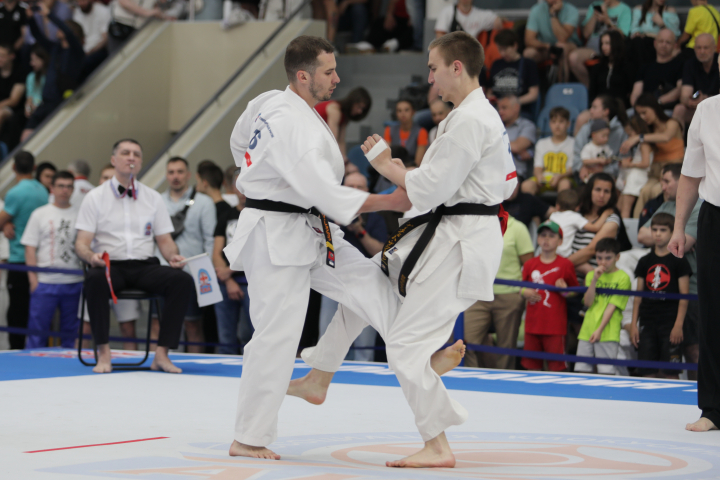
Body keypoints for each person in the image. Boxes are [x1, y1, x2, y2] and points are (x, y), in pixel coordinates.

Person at [289, 31, 517, 468]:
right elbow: (503, 182)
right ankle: (320, 376)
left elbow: (429, 190)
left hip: (458, 242)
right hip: (447, 231)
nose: (429, 79)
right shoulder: (473, 116)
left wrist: (386, 167)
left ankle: (437, 442)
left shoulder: (471, 120)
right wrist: (405, 171)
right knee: (363, 287)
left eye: (433, 68)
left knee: (404, 347)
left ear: (456, 67)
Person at [222, 35, 413, 461]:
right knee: (276, 334)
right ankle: (248, 437)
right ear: (304, 76)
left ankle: (410, 355)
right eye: (329, 71)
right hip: (276, 233)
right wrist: (390, 201)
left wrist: (254, 171)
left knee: (368, 281)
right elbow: (327, 194)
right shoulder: (293, 125)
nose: (337, 78)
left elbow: (239, 141)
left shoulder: (269, 101)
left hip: (309, 226)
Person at [74, 138, 195, 374]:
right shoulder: (95, 197)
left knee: (182, 281)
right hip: (110, 266)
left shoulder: (153, 197)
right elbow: (81, 243)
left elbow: (165, 241)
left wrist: (173, 256)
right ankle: (103, 353)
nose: (131, 157)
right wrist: (91, 257)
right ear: (113, 160)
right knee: (95, 279)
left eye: (136, 154)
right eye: (126, 153)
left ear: (140, 162)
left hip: (144, 267)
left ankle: (162, 354)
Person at [669, 72, 720, 431]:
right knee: (713, 312)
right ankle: (714, 409)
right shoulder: (707, 110)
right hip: (715, 215)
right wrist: (678, 227)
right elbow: (690, 175)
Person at [637, 163, 701, 380]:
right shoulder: (665, 206)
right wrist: (673, 235)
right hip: (659, 295)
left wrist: (671, 238)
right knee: (658, 356)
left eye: (666, 181)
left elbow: (683, 243)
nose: (662, 187)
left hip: (690, 290)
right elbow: (641, 235)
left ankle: (699, 394)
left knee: (693, 349)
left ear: (682, 181)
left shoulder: (698, 206)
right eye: (661, 182)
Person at [155, 156, 216, 354]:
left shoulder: (204, 202)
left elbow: (210, 240)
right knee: (158, 324)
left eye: (180, 172)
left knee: (193, 325)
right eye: (171, 172)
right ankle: (157, 365)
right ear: (166, 175)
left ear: (189, 175)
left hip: (193, 273)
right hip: (161, 272)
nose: (176, 176)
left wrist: (208, 271)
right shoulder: (156, 201)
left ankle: (196, 366)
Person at [20, 171, 83, 348]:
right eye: (61, 186)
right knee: (37, 331)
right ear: (52, 188)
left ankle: (68, 364)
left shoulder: (81, 214)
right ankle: (33, 363)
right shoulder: (40, 214)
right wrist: (33, 280)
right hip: (45, 281)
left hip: (74, 281)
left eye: (69, 186)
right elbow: (30, 248)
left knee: (71, 332)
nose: (65, 190)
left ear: (73, 189)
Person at [464, 215, 532, 369]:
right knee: (465, 342)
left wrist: (521, 291)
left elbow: (529, 266)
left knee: (506, 348)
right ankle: (472, 379)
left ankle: (503, 381)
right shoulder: (475, 224)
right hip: (478, 294)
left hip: (509, 294)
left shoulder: (518, 228)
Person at [631, 212, 690, 379]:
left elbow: (684, 296)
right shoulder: (644, 261)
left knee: (670, 372)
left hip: (670, 321)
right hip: (647, 321)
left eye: (663, 230)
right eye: (654, 229)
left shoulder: (679, 261)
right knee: (646, 372)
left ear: (672, 232)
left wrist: (678, 325)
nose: (658, 234)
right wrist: (634, 324)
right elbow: (638, 296)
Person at [0, 151, 48, 349]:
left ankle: (16, 351)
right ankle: (38, 349)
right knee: (37, 311)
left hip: (19, 259)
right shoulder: (43, 191)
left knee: (17, 312)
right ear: (34, 168)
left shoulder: (15, 193)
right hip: (40, 259)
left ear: (13, 168)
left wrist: (5, 224)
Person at [21, 1, 85, 142]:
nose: (58, 29)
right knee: (25, 137)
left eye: (62, 27)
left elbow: (68, 32)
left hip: (61, 102)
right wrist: (30, 18)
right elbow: (38, 36)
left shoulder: (76, 52)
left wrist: (49, 15)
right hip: (45, 101)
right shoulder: (56, 49)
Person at [521, 220, 579, 372]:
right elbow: (521, 287)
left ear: (560, 241)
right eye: (543, 235)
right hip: (532, 324)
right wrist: (524, 292)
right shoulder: (529, 264)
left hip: (555, 326)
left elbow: (575, 290)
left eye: (551, 236)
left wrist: (565, 291)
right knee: (532, 367)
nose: (546, 239)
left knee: (557, 368)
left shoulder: (565, 264)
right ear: (538, 239)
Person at [574, 237, 631, 374]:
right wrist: (594, 279)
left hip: (608, 331)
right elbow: (588, 303)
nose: (603, 262)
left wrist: (599, 330)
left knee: (606, 371)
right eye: (599, 258)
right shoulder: (591, 275)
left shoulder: (623, 278)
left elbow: (612, 306)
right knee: (582, 370)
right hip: (587, 329)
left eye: (608, 258)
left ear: (617, 257)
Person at [622, 93, 684, 216]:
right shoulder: (649, 131)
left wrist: (638, 137)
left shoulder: (672, 123)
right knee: (645, 191)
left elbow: (666, 137)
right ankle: (639, 223)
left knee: (657, 190)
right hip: (655, 172)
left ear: (653, 108)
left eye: (644, 112)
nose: (642, 117)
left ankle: (663, 221)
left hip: (673, 170)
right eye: (639, 114)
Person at [213, 168, 251, 355]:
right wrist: (228, 279)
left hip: (252, 281)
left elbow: (257, 251)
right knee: (225, 337)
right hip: (225, 282)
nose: (242, 190)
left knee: (250, 335)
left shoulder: (261, 215)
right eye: (238, 185)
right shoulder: (226, 215)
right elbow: (216, 253)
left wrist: (230, 271)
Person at [569, 0, 632, 88]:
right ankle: (589, 88)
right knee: (573, 58)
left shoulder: (624, 9)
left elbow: (621, 36)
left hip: (612, 47)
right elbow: (586, 34)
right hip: (593, 48)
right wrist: (596, 14)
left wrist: (607, 21)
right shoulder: (595, 6)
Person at [523, 0, 580, 83]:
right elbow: (529, 40)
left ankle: (562, 87)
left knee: (561, 47)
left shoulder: (571, 10)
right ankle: (533, 88)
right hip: (547, 47)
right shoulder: (536, 10)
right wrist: (547, 46)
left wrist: (553, 14)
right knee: (528, 53)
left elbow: (562, 38)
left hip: (569, 46)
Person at [523, 106, 574, 195]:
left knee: (565, 184)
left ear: (568, 124)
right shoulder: (541, 143)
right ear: (550, 124)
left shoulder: (573, 143)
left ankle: (562, 204)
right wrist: (539, 176)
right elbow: (537, 168)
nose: (557, 125)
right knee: (526, 185)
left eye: (561, 121)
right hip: (545, 179)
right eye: (554, 122)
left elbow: (571, 170)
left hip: (563, 178)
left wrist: (559, 177)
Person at [486, 29, 540, 114]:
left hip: (519, 111)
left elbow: (533, 94)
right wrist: (491, 97)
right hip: (497, 109)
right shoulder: (496, 64)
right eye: (500, 50)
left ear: (515, 45)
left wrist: (515, 102)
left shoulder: (528, 64)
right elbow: (490, 90)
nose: (502, 53)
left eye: (505, 49)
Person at [629, 28, 684, 109]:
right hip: (642, 109)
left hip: (667, 110)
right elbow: (636, 93)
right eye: (661, 41)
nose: (664, 45)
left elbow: (680, 89)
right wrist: (638, 107)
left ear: (675, 45)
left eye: (668, 42)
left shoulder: (680, 66)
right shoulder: (645, 67)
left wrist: (657, 102)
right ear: (655, 43)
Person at [573, 95, 628, 175]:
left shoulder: (620, 132)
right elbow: (576, 153)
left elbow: (623, 160)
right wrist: (581, 168)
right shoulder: (586, 128)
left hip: (611, 176)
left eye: (594, 107)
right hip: (587, 174)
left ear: (606, 111)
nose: (591, 111)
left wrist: (604, 170)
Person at [550, 188, 612, 258]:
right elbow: (595, 227)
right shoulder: (574, 216)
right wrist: (605, 214)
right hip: (563, 254)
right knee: (585, 264)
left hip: (548, 252)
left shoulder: (553, 215)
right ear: (577, 208)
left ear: (557, 206)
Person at [315, 87, 372, 160]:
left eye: (362, 109)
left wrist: (344, 159)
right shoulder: (335, 110)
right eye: (358, 107)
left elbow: (341, 140)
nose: (360, 111)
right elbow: (333, 140)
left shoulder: (344, 116)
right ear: (352, 102)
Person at [677, 34, 719, 125]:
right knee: (679, 109)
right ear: (694, 49)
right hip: (697, 108)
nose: (702, 51)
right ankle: (677, 135)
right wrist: (689, 101)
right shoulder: (690, 64)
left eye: (706, 48)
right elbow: (685, 94)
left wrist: (705, 99)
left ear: (714, 48)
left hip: (716, 107)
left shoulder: (719, 62)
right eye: (699, 48)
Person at [587, 30, 636, 108]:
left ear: (616, 43)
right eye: (602, 43)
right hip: (600, 108)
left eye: (607, 43)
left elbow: (631, 91)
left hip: (620, 108)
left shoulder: (627, 67)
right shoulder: (597, 68)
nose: (603, 47)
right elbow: (592, 92)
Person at [617, 116, 653, 218]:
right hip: (633, 175)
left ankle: (624, 227)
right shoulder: (640, 145)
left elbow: (646, 163)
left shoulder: (644, 144)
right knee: (619, 206)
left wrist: (629, 164)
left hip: (637, 177)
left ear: (638, 130)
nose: (629, 138)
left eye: (630, 134)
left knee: (626, 208)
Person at [498, 95, 536, 179]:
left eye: (504, 108)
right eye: (499, 108)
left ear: (516, 108)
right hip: (493, 170)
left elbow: (517, 147)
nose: (500, 112)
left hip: (515, 174)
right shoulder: (495, 126)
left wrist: (493, 143)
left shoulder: (527, 126)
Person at [383, 98, 428, 166]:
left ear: (413, 112)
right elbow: (386, 157)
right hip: (392, 167)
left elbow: (418, 162)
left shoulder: (421, 132)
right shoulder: (389, 130)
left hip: (412, 169)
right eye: (399, 110)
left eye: (406, 110)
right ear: (396, 113)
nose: (403, 113)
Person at [73, 0, 111, 79]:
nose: (81, 4)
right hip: (84, 51)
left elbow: (105, 38)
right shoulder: (77, 14)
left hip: (99, 49)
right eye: (78, 2)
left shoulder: (102, 11)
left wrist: (91, 51)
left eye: (83, 1)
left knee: (84, 65)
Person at [434, 0, 502, 39]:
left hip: (472, 53)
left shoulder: (480, 15)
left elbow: (497, 20)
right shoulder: (447, 12)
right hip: (453, 52)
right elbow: (440, 36)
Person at [0, 43, 25, 141]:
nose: (0, 59)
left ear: (12, 56)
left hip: (12, 109)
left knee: (1, 113)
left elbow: (14, 100)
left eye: (2, 56)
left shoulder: (19, 72)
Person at [24, 46, 49, 122]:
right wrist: (28, 109)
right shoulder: (31, 77)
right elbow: (29, 97)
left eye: (35, 60)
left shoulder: (50, 76)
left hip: (46, 108)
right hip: (35, 111)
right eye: (31, 60)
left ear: (43, 59)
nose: (32, 63)